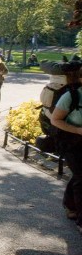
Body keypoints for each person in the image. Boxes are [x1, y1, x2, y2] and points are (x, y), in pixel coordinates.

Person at [48, 62, 82, 236]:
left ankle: (70, 204)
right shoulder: (71, 96)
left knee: (79, 175)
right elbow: (55, 120)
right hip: (71, 141)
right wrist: (78, 130)